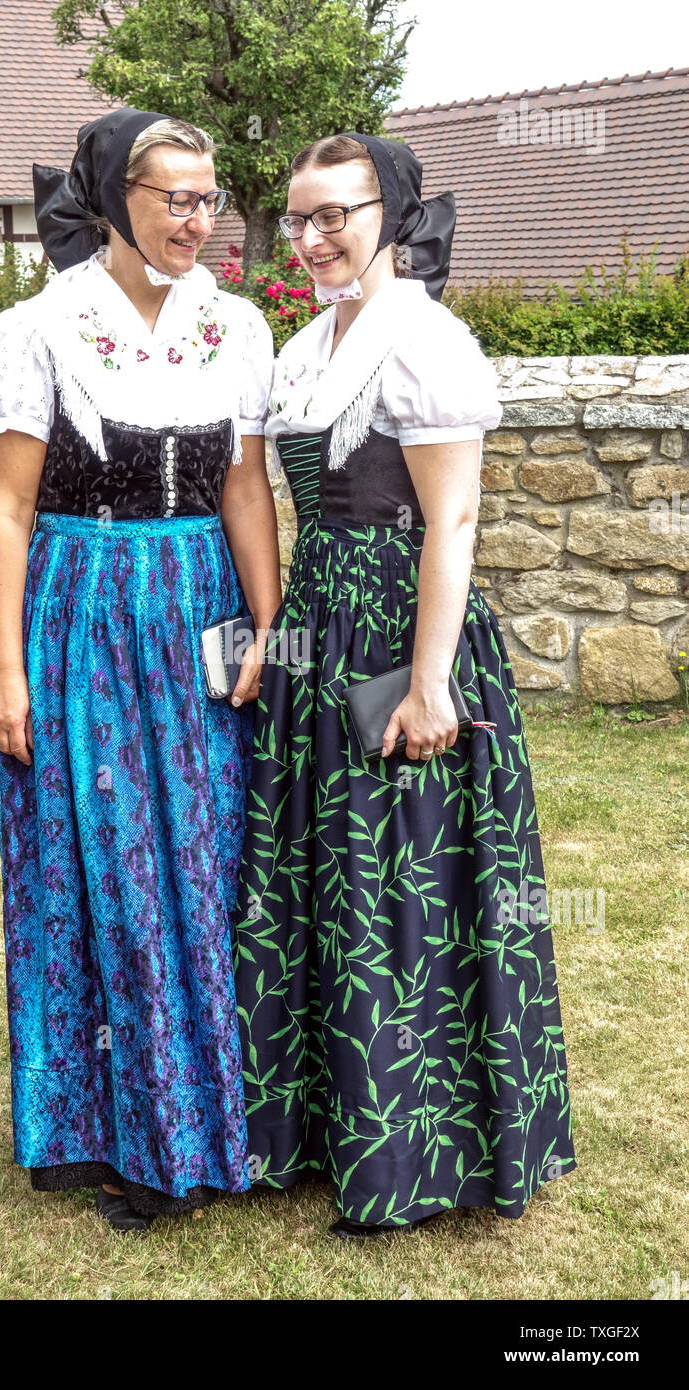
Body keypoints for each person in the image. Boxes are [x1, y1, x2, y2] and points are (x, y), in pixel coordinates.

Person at [233, 132, 577, 1238]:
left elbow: (453, 522)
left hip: (400, 629)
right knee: (324, 877)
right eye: (299, 217)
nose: (315, 236)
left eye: (337, 213)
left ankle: (420, 1148)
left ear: (392, 211)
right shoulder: (301, 346)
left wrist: (429, 683)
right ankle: (317, 1129)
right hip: (323, 630)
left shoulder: (424, 342)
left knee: (404, 886)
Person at [0, 108, 281, 1231]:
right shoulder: (38, 331)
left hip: (197, 604)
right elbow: (7, 507)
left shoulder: (236, 328)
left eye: (209, 199)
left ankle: (202, 1117)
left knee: (199, 860)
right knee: (98, 861)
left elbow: (244, 491)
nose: (199, 219)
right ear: (113, 198)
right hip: (83, 611)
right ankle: (112, 1130)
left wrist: (268, 631)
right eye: (173, 197)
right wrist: (4, 670)